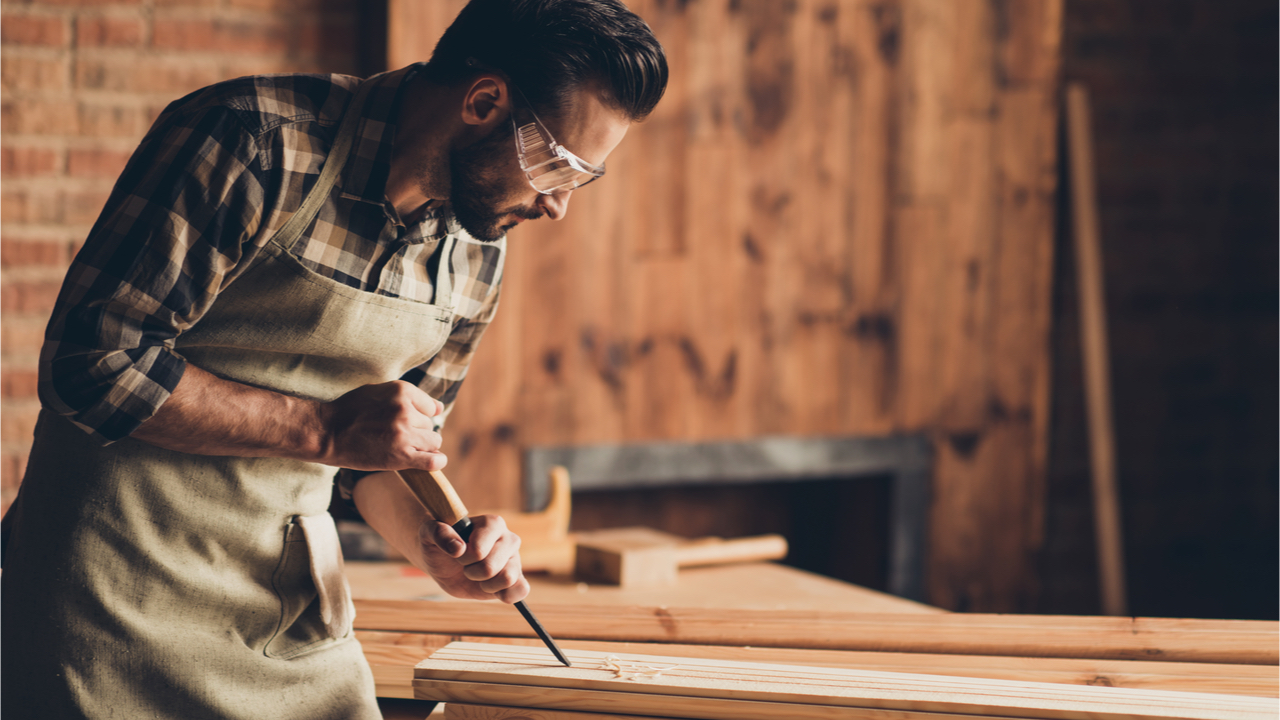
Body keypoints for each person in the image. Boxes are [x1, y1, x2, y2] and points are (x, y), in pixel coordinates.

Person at [0, 0, 667, 716]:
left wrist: (438, 545)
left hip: (286, 628)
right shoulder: (254, 140)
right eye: (558, 164)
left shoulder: (477, 253)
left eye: (580, 180)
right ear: (482, 101)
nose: (558, 204)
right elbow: (93, 363)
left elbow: (376, 464)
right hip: (104, 611)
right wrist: (323, 430)